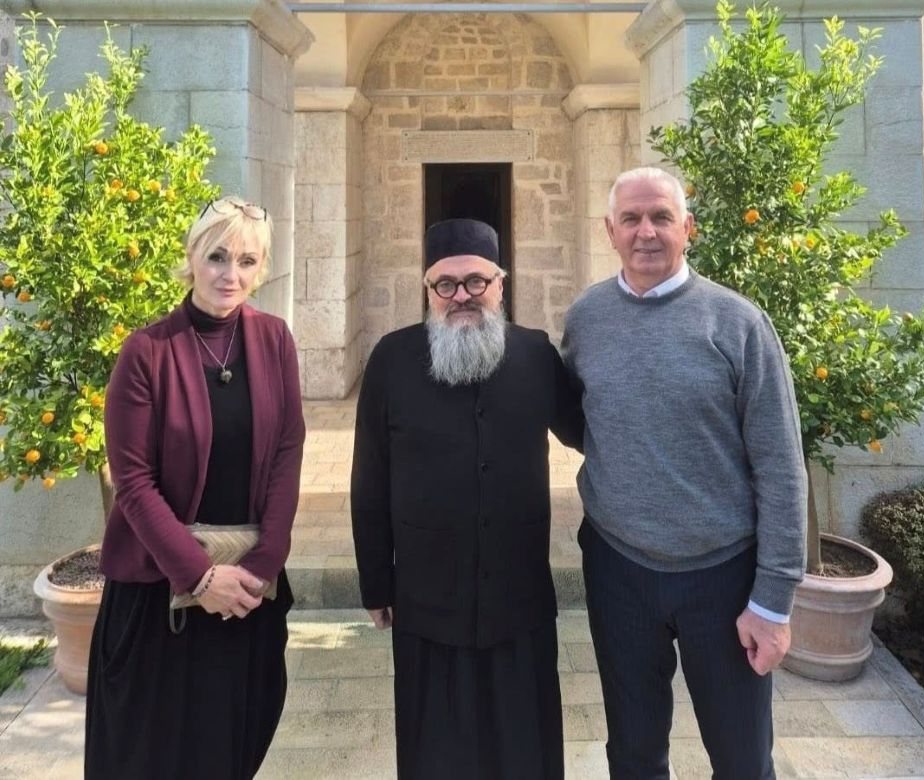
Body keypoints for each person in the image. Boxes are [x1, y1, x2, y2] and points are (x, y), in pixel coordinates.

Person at [561, 167, 808, 779]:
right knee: (634, 751)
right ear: (610, 231)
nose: (645, 232)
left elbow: (781, 466)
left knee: (742, 758)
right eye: (631, 219)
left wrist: (773, 602)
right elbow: (582, 419)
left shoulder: (738, 324)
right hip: (618, 571)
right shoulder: (587, 317)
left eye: (661, 217)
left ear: (688, 228)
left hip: (722, 579)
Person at [351, 218, 582, 780]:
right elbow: (369, 479)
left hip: (519, 598)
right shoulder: (391, 360)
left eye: (477, 281)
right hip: (427, 600)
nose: (462, 296)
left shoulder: (535, 355)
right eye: (446, 284)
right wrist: (376, 582)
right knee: (436, 756)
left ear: (500, 284)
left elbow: (588, 431)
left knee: (525, 754)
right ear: (428, 290)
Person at [84, 196, 306, 779]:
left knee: (231, 748)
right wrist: (200, 577)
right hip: (160, 594)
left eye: (247, 261)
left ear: (262, 269)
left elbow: (287, 452)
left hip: (246, 593)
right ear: (191, 257)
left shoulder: (275, 340)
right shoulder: (145, 352)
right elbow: (133, 481)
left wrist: (263, 563)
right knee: (151, 757)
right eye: (217, 257)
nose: (231, 274)